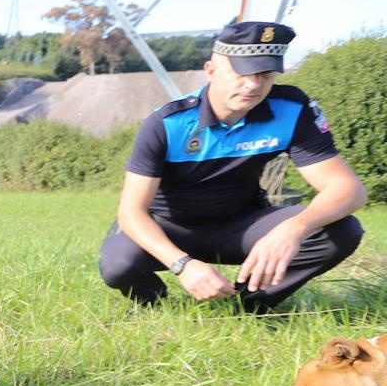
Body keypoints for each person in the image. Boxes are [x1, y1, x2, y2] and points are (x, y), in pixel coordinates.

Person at [98, 21, 366, 313]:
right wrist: (183, 265)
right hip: (169, 226)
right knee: (118, 263)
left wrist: (293, 229)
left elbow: (348, 190)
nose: (253, 85)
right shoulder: (167, 123)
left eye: (264, 74)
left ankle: (245, 306)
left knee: (342, 230)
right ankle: (155, 305)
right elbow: (130, 212)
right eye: (241, 72)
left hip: (240, 225)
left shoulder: (291, 110)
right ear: (211, 70)